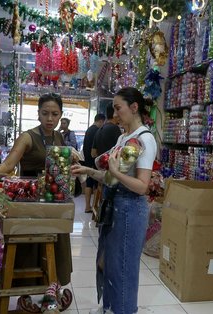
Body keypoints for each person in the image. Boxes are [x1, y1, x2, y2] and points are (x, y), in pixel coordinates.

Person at [72, 87, 157, 314]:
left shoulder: (144, 139)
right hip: (113, 205)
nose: (115, 114)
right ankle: (109, 308)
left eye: (118, 108)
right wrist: (88, 170)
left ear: (134, 107)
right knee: (107, 262)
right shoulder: (123, 137)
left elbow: (142, 187)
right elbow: (109, 176)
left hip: (130, 208)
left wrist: (116, 173)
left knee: (123, 269)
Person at [0, 93, 72, 286]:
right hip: (31, 200)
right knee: (31, 244)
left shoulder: (59, 136)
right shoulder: (28, 137)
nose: (50, 119)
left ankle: (53, 285)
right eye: (45, 113)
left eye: (54, 114)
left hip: (54, 198)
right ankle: (27, 289)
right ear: (38, 114)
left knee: (56, 241)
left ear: (61, 115)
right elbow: (9, 165)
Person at [83, 113, 106, 213]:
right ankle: (94, 206)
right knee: (96, 184)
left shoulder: (89, 129)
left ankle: (87, 206)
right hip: (94, 160)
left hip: (87, 160)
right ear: (100, 121)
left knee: (89, 183)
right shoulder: (97, 130)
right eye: (103, 122)